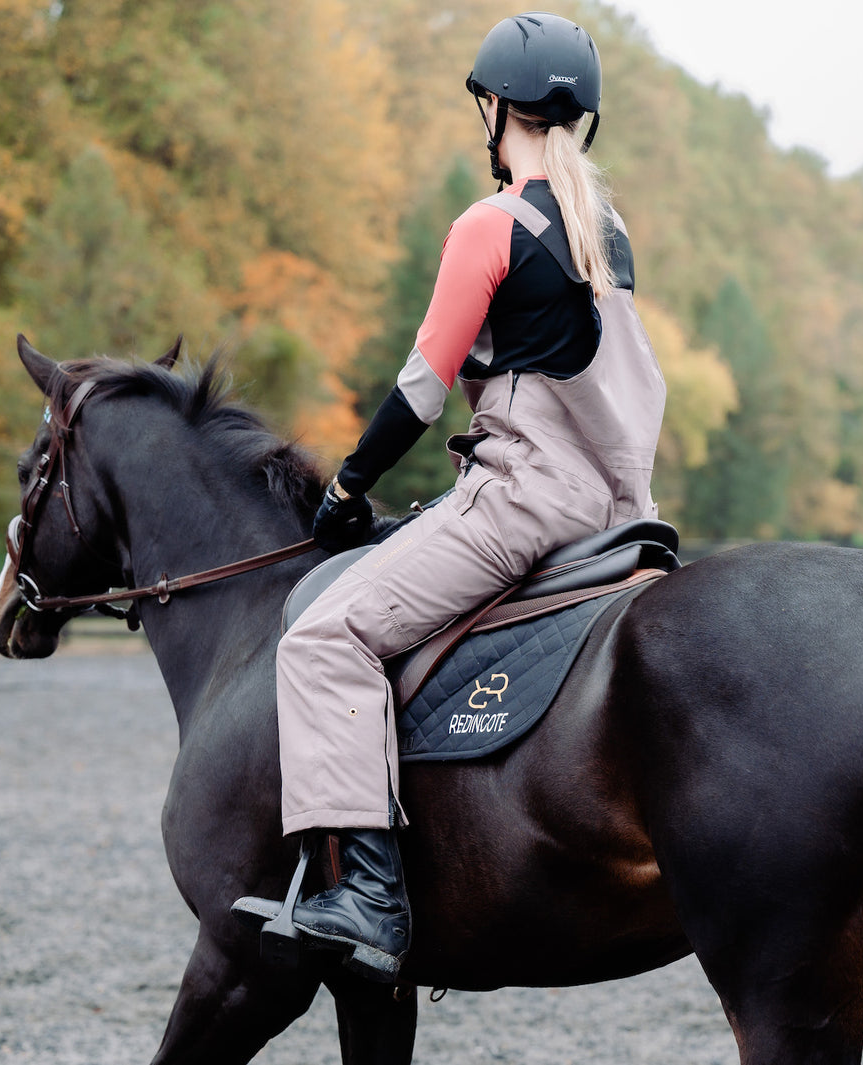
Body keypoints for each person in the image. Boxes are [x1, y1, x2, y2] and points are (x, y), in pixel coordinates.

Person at [235, 11, 665, 983]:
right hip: (614, 509)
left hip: (520, 504)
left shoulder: (491, 226)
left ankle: (371, 895)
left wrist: (347, 488)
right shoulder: (609, 232)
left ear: (494, 110)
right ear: (577, 121)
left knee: (323, 641)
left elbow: (420, 393)